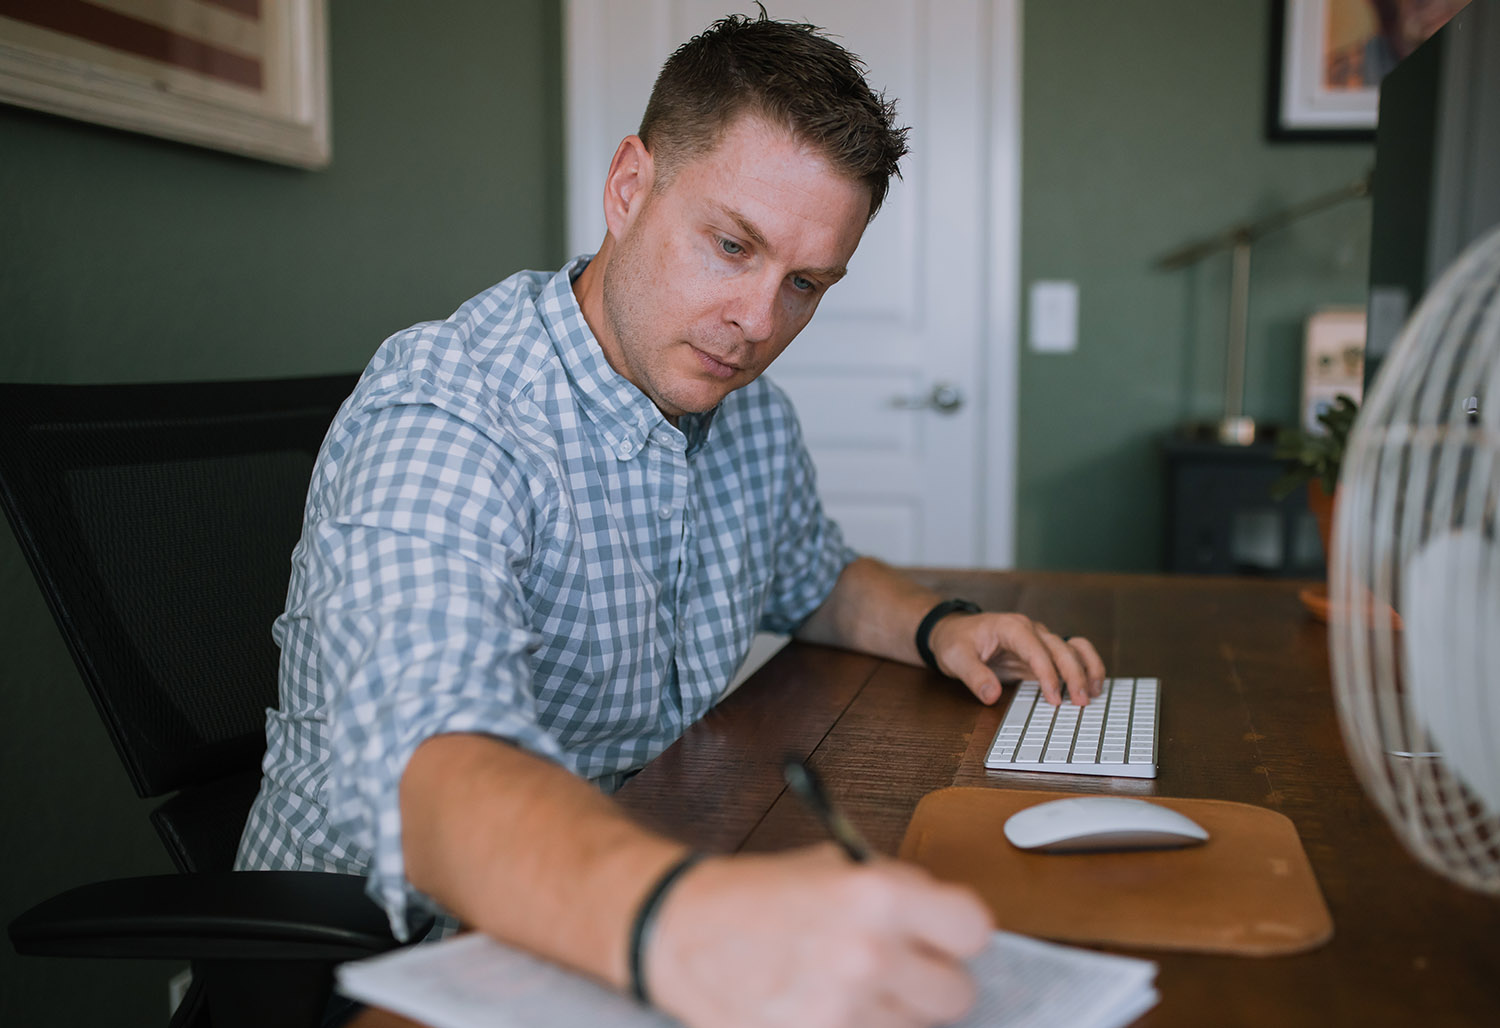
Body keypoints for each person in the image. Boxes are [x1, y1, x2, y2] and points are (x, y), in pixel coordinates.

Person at [238, 11, 1105, 1028]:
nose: (758, 321)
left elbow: (811, 573)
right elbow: (438, 762)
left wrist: (937, 623)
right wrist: (683, 920)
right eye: (732, 244)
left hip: (620, 890)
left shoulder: (743, 414)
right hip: (395, 957)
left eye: (805, 284)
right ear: (627, 187)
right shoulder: (449, 406)